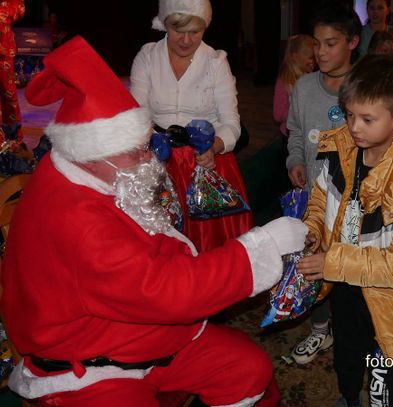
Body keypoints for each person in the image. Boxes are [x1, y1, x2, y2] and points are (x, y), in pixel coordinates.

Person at [1, 36, 308, 407]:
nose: (150, 159)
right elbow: (168, 290)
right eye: (137, 150)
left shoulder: (86, 172)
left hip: (140, 333)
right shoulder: (80, 223)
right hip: (86, 364)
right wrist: (263, 246)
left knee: (248, 370)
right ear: (92, 151)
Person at [297, 54, 393, 407]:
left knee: (384, 373)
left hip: (392, 298)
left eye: (366, 119)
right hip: (345, 284)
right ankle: (349, 397)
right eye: (349, 115)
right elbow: (320, 202)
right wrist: (311, 233)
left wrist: (334, 262)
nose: (354, 127)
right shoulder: (342, 153)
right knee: (347, 352)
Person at [130, 0, 253, 253]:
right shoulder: (147, 57)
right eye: (178, 30)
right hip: (158, 161)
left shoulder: (216, 62)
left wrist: (215, 146)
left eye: (195, 32)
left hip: (206, 163)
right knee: (161, 249)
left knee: (210, 251)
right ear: (165, 23)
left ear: (205, 27)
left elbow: (232, 123)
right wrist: (150, 142)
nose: (186, 40)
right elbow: (137, 114)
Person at [285, 4, 360, 365]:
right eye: (317, 44)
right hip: (314, 201)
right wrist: (295, 160)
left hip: (354, 200)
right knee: (312, 260)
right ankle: (320, 331)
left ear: (353, 42)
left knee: (348, 267)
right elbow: (296, 131)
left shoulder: (368, 86)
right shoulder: (302, 86)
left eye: (331, 43)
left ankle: (353, 331)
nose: (321, 52)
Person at [273, 34, 316, 138]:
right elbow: (278, 115)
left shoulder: (312, 78)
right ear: (295, 56)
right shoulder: (284, 82)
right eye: (311, 58)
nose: (314, 62)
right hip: (291, 136)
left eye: (316, 57)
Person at [0, 0, 24, 141]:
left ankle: (13, 135)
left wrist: (3, 16)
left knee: (8, 93)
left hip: (4, 49)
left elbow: (20, 8)